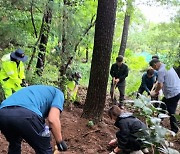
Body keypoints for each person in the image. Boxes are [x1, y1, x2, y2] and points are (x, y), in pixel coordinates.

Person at [0, 85, 68, 154]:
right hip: (26, 114)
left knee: (14, 145)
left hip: (2, 114)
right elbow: (53, 119)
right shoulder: (58, 93)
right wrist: (60, 142)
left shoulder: (37, 90)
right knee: (44, 149)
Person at [149, 58, 180, 133]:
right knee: (163, 105)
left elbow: (160, 84)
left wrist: (155, 92)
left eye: (153, 67)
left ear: (155, 65)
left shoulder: (161, 71)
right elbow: (160, 82)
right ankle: (157, 122)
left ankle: (175, 130)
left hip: (172, 94)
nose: (154, 69)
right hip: (177, 90)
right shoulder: (166, 66)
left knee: (171, 111)